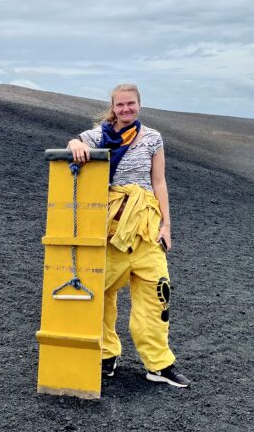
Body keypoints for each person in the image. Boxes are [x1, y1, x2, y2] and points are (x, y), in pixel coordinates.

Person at [67, 83, 190, 389]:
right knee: (101, 293)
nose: (126, 109)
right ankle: (106, 355)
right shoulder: (99, 136)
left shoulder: (152, 138)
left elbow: (159, 182)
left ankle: (159, 364)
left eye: (130, 104)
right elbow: (74, 142)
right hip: (111, 231)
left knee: (157, 293)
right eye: (120, 105)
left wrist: (166, 226)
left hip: (146, 228)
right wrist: (75, 145)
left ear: (139, 105)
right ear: (113, 106)